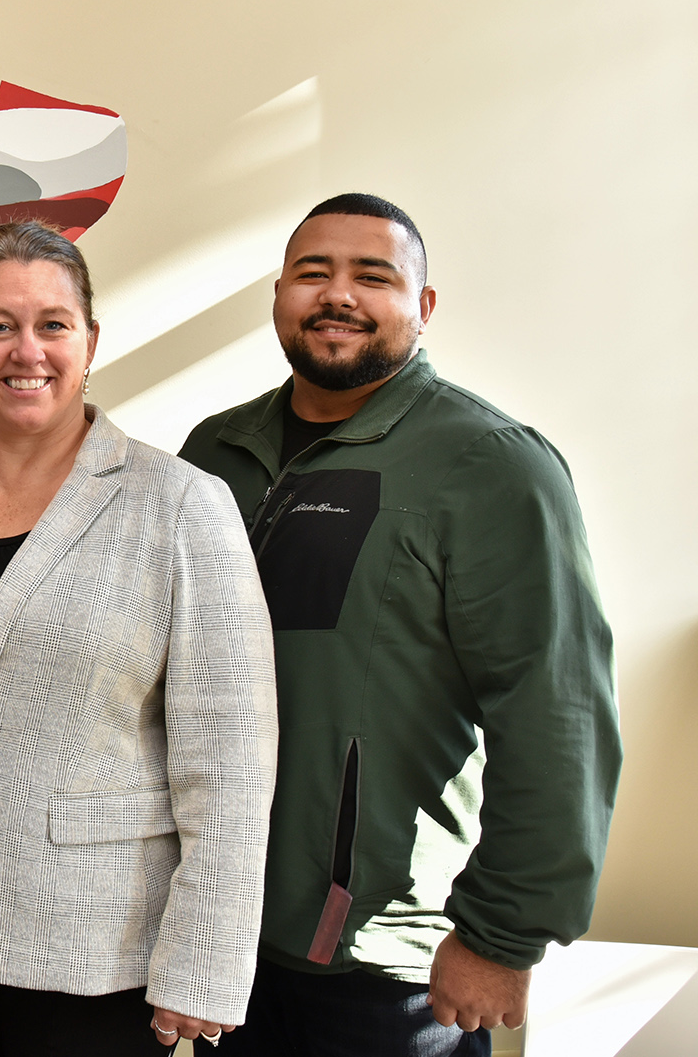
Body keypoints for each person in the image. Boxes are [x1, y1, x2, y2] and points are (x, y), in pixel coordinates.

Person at [178, 194, 622, 1056]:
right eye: (314, 273)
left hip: (386, 966)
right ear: (279, 297)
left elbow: (556, 711)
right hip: (219, 940)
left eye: (372, 276)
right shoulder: (214, 456)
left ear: (421, 308)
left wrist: (501, 936)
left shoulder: (488, 464)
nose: (338, 294)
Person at [0, 220, 279, 1055]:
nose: (28, 351)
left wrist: (205, 965)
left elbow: (231, 760)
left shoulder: (181, 505)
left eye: (53, 324)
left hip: (96, 951)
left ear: (90, 339)